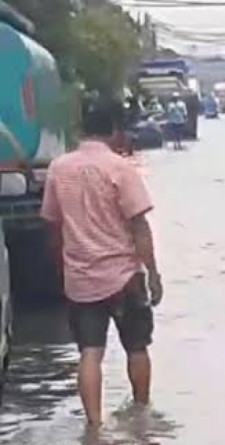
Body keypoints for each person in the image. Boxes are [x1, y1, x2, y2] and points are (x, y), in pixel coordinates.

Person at [40, 98, 163, 426]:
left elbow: (53, 225)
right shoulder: (121, 168)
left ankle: (94, 428)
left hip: (81, 279)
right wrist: (153, 273)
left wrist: (62, 266)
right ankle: (141, 416)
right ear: (114, 131)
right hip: (124, 276)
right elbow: (139, 225)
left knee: (90, 352)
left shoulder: (58, 168)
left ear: (82, 130)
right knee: (136, 347)